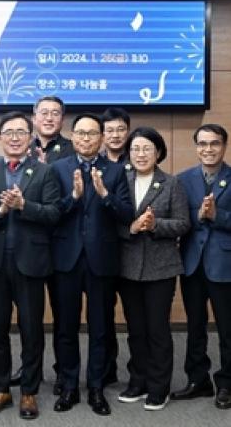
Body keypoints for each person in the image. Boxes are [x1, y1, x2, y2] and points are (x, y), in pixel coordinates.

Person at [0, 111, 60, 420]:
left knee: (31, 330)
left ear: (30, 138)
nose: (14, 138)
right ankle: (0, 388)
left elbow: (54, 214)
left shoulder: (45, 172)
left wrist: (25, 206)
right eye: (8, 132)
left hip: (30, 263)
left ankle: (28, 392)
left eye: (21, 132)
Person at [50, 113, 133, 416]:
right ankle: (69, 385)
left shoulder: (116, 171)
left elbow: (127, 214)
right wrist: (73, 197)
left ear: (101, 138)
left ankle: (96, 387)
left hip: (102, 259)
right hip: (67, 258)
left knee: (100, 328)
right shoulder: (57, 168)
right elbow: (51, 213)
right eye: (81, 133)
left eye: (92, 134)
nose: (86, 139)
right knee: (66, 327)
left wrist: (105, 195)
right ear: (72, 136)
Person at [117, 127, 190, 411]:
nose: (141, 154)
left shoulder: (171, 183)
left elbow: (183, 223)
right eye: (135, 149)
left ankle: (159, 387)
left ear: (158, 152)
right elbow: (110, 222)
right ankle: (138, 381)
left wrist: (155, 225)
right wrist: (132, 228)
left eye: (147, 148)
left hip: (161, 268)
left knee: (157, 329)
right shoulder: (121, 181)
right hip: (128, 267)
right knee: (135, 329)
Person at [174, 123, 231, 410]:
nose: (208, 149)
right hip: (192, 265)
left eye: (215, 143)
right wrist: (198, 217)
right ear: (196, 147)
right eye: (203, 144)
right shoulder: (182, 180)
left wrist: (217, 216)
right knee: (194, 325)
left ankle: (227, 384)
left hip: (224, 265)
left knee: (227, 328)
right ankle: (198, 380)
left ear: (224, 146)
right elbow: (179, 220)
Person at [20, 95, 75, 391]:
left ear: (62, 119)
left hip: (62, 244)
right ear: (34, 117)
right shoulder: (20, 146)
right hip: (29, 245)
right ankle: (31, 370)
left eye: (55, 113)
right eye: (44, 113)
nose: (49, 118)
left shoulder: (72, 150)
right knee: (29, 316)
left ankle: (64, 372)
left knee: (63, 315)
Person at [99, 106, 132, 388]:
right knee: (104, 315)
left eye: (121, 129)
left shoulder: (140, 159)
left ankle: (138, 372)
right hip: (103, 251)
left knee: (135, 317)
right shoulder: (94, 164)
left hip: (133, 249)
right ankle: (107, 369)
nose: (115, 135)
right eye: (110, 130)